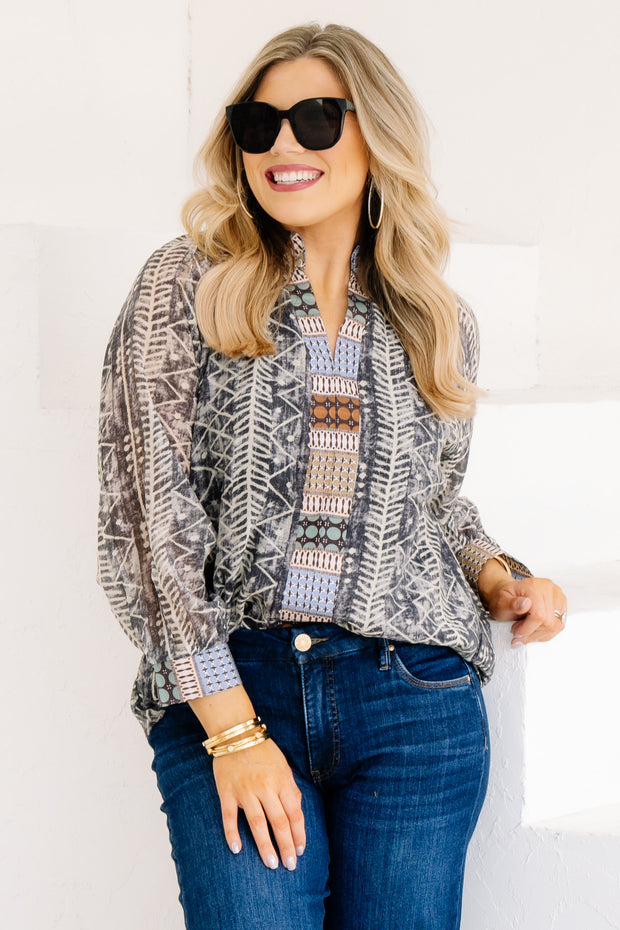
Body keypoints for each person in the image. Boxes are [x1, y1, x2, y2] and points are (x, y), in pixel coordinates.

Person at [97, 22, 567, 930]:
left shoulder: (436, 318)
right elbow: (148, 517)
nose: (283, 144)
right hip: (237, 681)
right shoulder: (185, 283)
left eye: (316, 118)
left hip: (414, 695)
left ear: (376, 132)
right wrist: (233, 732)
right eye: (257, 123)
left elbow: (435, 500)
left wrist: (500, 575)